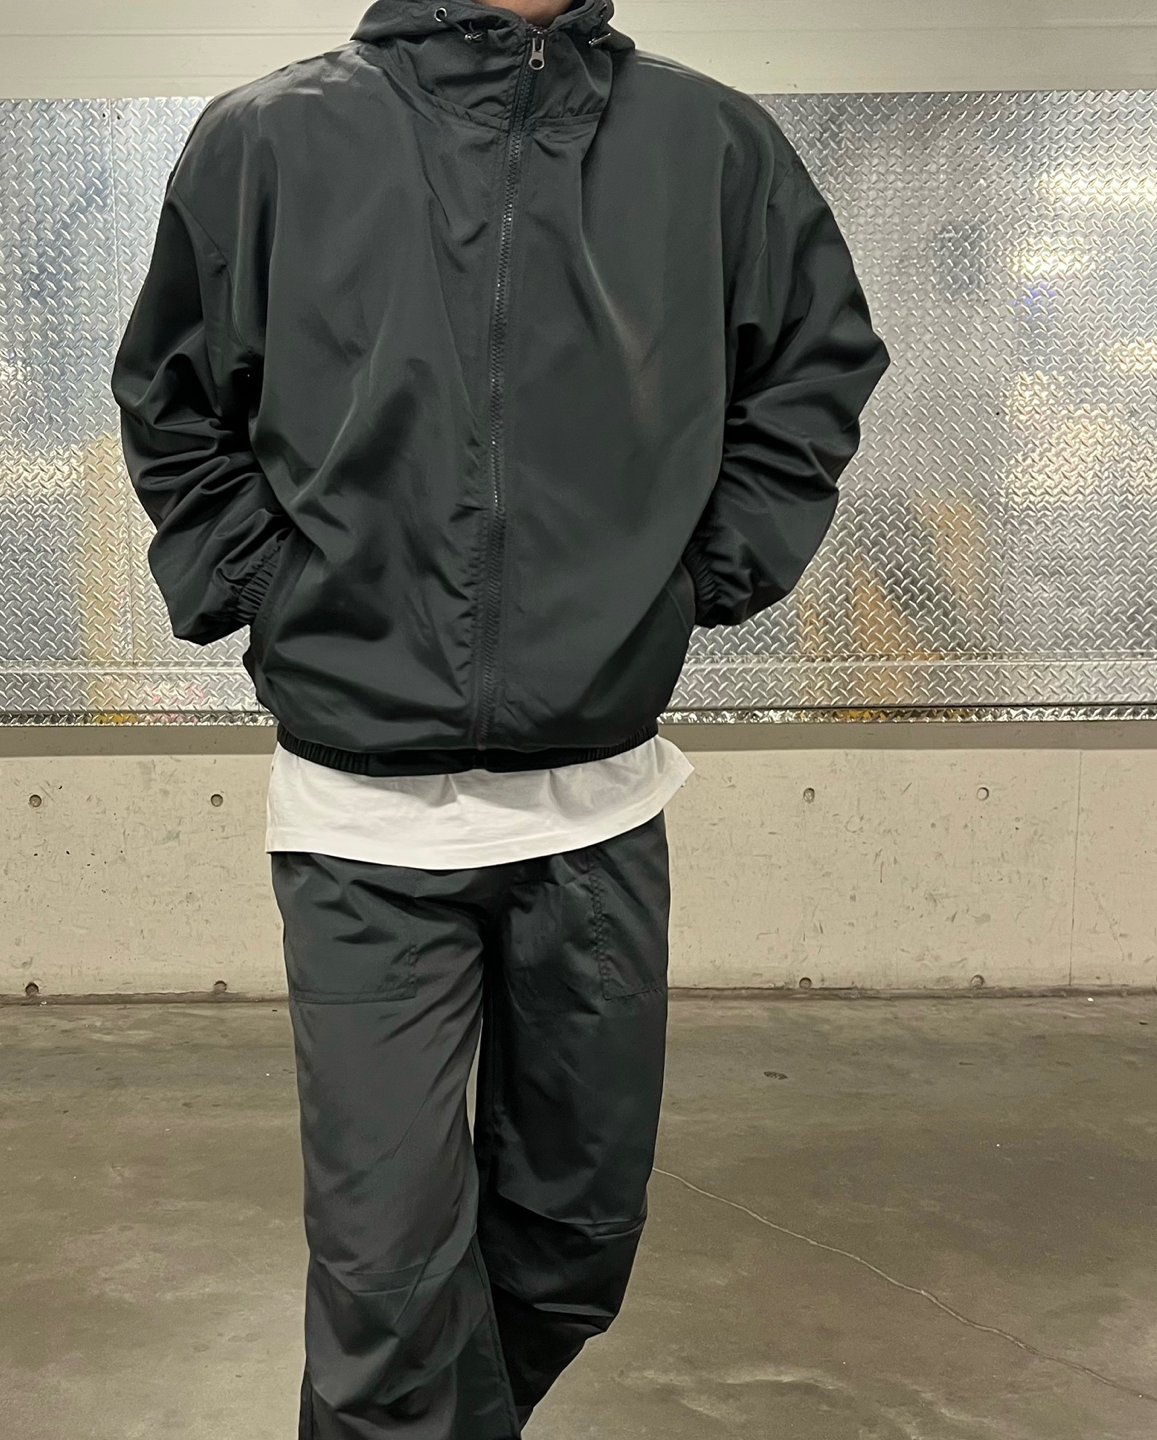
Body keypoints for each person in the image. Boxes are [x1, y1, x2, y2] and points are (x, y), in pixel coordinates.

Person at [111, 0, 889, 1433]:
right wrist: (273, 591)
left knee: (574, 1245)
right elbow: (175, 402)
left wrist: (700, 577)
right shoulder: (270, 139)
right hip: (364, 827)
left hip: (598, 812)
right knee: (387, 1284)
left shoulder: (711, 144)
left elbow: (813, 369)